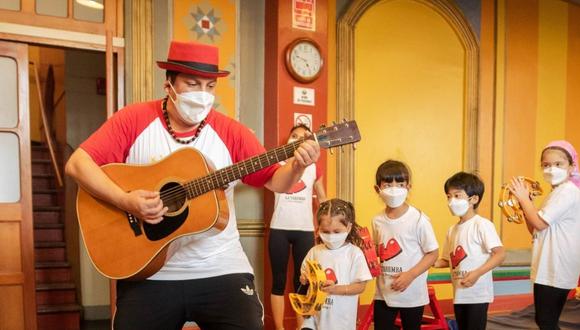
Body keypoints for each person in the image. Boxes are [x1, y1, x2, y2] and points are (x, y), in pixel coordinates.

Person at [65, 41, 320, 330]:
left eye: (210, 86)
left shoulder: (230, 131)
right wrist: (126, 201)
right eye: (192, 83)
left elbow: (275, 180)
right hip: (150, 272)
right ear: (169, 84)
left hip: (221, 265)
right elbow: (77, 164)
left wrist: (297, 165)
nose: (203, 94)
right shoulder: (133, 120)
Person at [509, 140, 580, 330]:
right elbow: (534, 228)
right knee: (546, 321)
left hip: (556, 265)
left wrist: (524, 199)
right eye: (546, 165)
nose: (551, 169)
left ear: (572, 166)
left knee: (546, 321)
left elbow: (539, 223)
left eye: (558, 164)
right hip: (549, 265)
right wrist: (526, 206)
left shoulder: (567, 191)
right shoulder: (555, 192)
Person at [269, 124, 327, 330]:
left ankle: (301, 326)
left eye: (303, 137)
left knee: (302, 282)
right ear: (287, 140)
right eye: (294, 135)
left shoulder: (314, 167)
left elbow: (322, 199)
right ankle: (279, 328)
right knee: (278, 282)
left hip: (305, 231)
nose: (297, 139)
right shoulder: (276, 162)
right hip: (279, 229)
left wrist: (325, 228)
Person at [371, 160, 439, 330]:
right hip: (384, 292)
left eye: (400, 184)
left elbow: (433, 253)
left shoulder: (419, 219)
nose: (394, 189)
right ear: (377, 189)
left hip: (412, 293)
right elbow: (377, 250)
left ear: (408, 187)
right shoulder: (377, 220)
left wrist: (410, 275)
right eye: (387, 184)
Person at [434, 172, 505, 330]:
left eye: (457, 196)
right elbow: (446, 260)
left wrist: (477, 273)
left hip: (477, 294)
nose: (452, 201)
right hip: (459, 293)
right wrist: (427, 260)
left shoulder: (482, 225)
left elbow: (500, 254)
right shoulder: (452, 230)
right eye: (449, 196)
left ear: (473, 199)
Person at [299, 198, 372, 330]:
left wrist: (336, 289)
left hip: (341, 321)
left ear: (348, 227)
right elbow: (304, 276)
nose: (331, 236)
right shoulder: (315, 251)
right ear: (318, 229)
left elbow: (360, 286)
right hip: (314, 318)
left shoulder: (354, 254)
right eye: (325, 232)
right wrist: (304, 279)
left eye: (337, 232)